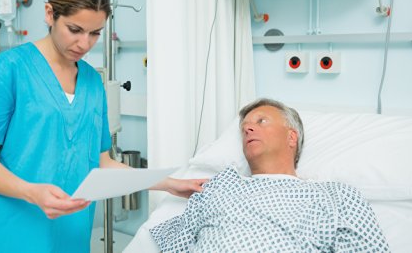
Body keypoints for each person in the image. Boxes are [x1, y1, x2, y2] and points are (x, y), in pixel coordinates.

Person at [0, 0, 206, 253]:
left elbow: (103, 162)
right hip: (10, 232)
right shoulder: (6, 71)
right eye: (75, 30)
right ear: (50, 14)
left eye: (95, 33)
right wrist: (32, 192)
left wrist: (170, 184)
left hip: (70, 233)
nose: (84, 44)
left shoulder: (91, 83)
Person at [150, 98, 390, 252]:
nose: (248, 128)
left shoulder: (336, 196)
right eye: (244, 127)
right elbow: (177, 245)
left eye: (261, 121)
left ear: (291, 137)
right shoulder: (217, 187)